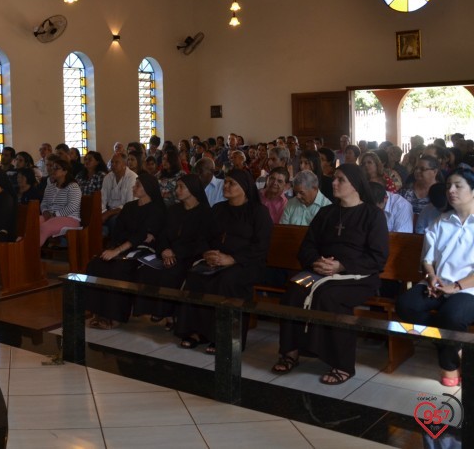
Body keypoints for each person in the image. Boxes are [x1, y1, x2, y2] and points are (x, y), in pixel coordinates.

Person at [272, 164, 389, 385]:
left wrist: (342, 266)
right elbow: (306, 247)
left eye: (340, 180)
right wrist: (316, 262)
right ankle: (291, 352)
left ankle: (342, 363)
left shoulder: (372, 215)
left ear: (355, 184)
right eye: (334, 179)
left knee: (328, 296)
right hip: (320, 272)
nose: (333, 183)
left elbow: (377, 257)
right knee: (294, 290)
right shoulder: (326, 213)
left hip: (358, 277)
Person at [175, 169, 272, 354]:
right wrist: (207, 253)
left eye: (231, 183)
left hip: (247, 263)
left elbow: (261, 246)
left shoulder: (258, 212)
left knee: (226, 281)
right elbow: (203, 236)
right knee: (195, 277)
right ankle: (198, 332)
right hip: (216, 259)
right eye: (225, 182)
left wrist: (232, 259)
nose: (225, 186)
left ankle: (224, 337)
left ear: (244, 188)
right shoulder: (218, 209)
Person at [396, 167, 474, 386]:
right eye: (449, 185)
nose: (451, 190)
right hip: (438, 283)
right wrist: (431, 276)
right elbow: (427, 259)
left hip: (469, 289)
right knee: (405, 305)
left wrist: (455, 287)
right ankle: (453, 345)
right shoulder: (442, 220)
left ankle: (449, 364)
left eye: (458, 186)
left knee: (452, 316)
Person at [135, 174, 219, 329]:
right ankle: (160, 313)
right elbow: (163, 234)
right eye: (177, 186)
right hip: (169, 253)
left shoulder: (205, 213)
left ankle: (167, 313)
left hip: (189, 255)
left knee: (172, 270)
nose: (177, 190)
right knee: (148, 269)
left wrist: (175, 254)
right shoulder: (174, 210)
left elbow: (201, 241)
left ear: (193, 190)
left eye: (181, 187)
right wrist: (165, 250)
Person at [84, 173, 167, 329]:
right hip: (123, 246)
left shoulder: (157, 209)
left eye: (137, 185)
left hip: (143, 250)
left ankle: (114, 316)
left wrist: (121, 248)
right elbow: (119, 231)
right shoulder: (129, 207)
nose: (133, 187)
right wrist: (118, 247)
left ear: (148, 189)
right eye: (134, 184)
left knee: (119, 269)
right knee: (96, 264)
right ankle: (97, 311)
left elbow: (144, 234)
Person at [38, 158, 82, 245]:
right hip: (51, 216)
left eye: (56, 168)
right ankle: (24, 248)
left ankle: (31, 253)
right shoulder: (50, 186)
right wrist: (45, 211)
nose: (53, 170)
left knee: (44, 227)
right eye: (52, 168)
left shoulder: (73, 186)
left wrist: (55, 215)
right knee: (33, 223)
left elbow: (73, 206)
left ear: (65, 172)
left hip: (70, 219)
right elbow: (44, 202)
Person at [100, 153, 137, 235]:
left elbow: (129, 204)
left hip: (126, 211)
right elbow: (102, 198)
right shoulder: (108, 177)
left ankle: (116, 244)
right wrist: (102, 212)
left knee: (114, 220)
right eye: (112, 162)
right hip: (108, 210)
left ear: (124, 164)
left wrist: (109, 213)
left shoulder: (132, 177)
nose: (113, 164)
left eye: (116, 162)